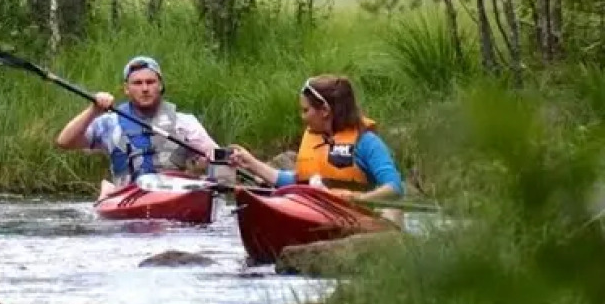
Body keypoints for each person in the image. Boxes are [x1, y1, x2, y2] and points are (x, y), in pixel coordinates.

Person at [54, 55, 222, 196]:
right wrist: (93, 110)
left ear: (160, 86)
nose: (145, 88)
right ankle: (109, 190)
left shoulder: (184, 122)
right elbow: (64, 141)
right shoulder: (110, 122)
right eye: (137, 83)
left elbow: (219, 159)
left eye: (150, 82)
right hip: (127, 197)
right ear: (127, 89)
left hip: (172, 195)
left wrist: (211, 167)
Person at [225, 75, 403, 204]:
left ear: (325, 111)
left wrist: (360, 199)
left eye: (305, 110)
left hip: (354, 212)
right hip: (316, 208)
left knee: (392, 213)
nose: (302, 117)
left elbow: (394, 188)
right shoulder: (316, 139)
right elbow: (295, 181)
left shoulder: (366, 142)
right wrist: (251, 163)